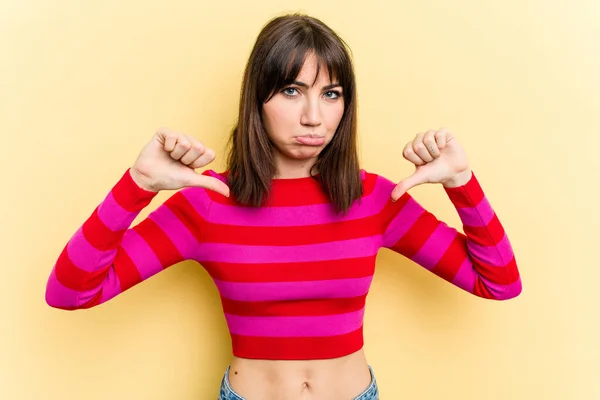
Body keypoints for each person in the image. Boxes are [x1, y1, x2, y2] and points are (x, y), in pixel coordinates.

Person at [44, 13, 522, 400]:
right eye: (292, 90)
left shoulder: (374, 199)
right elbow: (70, 291)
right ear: (258, 98)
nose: (313, 116)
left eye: (330, 94)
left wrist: (462, 183)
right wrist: (138, 184)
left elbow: (499, 282)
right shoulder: (207, 204)